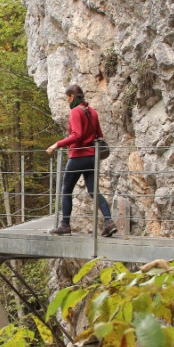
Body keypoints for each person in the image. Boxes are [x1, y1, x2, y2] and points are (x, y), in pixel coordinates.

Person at [45, 84, 117, 236]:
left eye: (67, 98)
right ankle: (109, 222)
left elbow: (76, 135)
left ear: (71, 96)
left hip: (79, 156)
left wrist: (56, 145)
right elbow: (99, 134)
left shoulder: (76, 112)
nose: (67, 102)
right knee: (93, 191)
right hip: (92, 157)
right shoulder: (92, 112)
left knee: (66, 190)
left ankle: (65, 225)